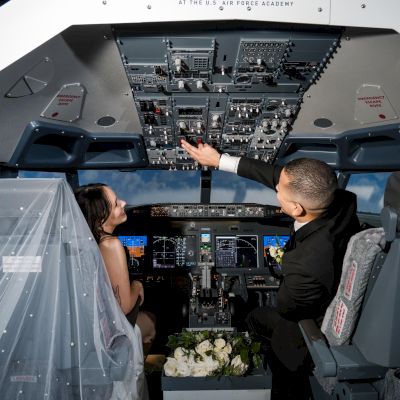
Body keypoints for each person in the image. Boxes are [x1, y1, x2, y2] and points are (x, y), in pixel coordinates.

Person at [181, 140, 360, 399]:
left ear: (297, 209)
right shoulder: (339, 202)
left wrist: (278, 277)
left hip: (303, 328)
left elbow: (289, 308)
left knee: (256, 319)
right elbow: (280, 176)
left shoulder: (305, 264)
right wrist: (219, 160)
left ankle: (270, 376)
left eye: (279, 191)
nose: (275, 188)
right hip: (314, 286)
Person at [74, 183, 156, 353]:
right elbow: (124, 306)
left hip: (85, 329)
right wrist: (137, 285)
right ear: (101, 216)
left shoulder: (83, 242)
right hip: (109, 333)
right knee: (152, 319)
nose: (124, 203)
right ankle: (134, 369)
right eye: (117, 204)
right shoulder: (110, 244)